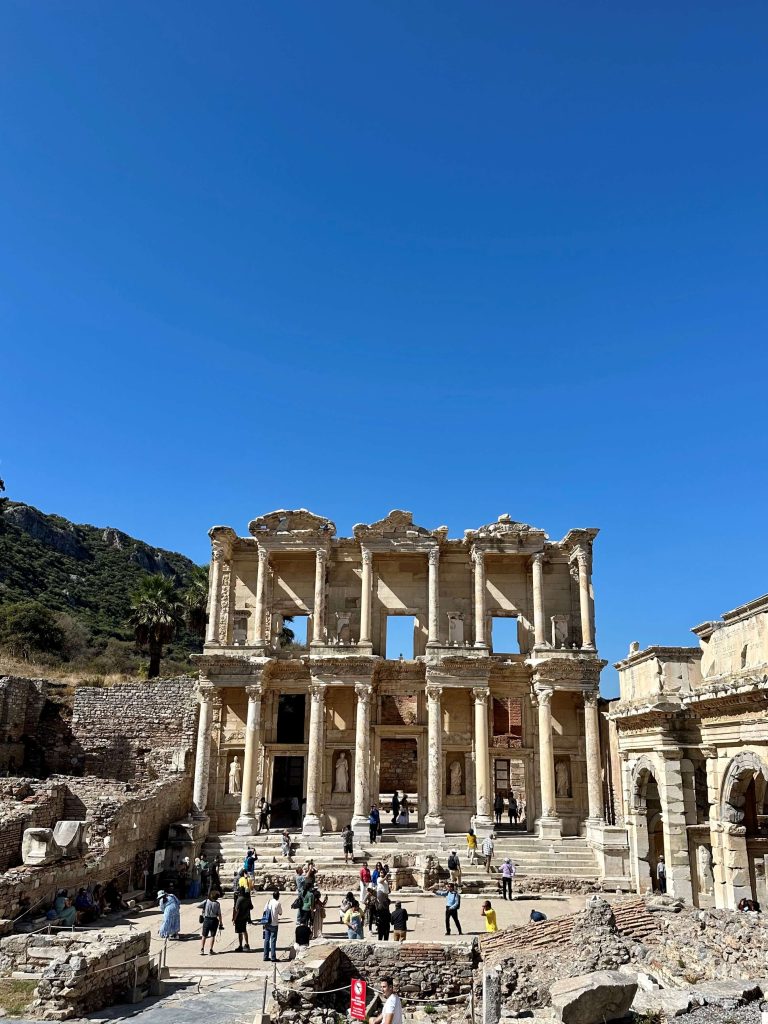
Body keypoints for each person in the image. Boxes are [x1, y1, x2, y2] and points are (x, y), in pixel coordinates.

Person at [199, 889, 223, 955]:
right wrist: (221, 923)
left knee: (204, 935)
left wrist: (204, 908)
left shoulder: (206, 901)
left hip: (206, 919)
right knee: (212, 935)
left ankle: (202, 949)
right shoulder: (217, 904)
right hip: (214, 920)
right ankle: (210, 950)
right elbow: (219, 914)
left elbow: (198, 906)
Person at [262, 888, 282, 962]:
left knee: (266, 940)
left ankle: (265, 956)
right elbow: (280, 913)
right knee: (273, 940)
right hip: (274, 923)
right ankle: (273, 957)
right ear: (278, 896)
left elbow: (264, 911)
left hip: (267, 923)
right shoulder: (278, 903)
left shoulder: (268, 902)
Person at [233, 887, 253, 951]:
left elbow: (237, 910)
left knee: (239, 932)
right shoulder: (247, 898)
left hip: (239, 918)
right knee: (244, 931)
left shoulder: (239, 899)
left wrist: (234, 919)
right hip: (245, 917)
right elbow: (251, 907)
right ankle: (247, 944)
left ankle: (240, 945)